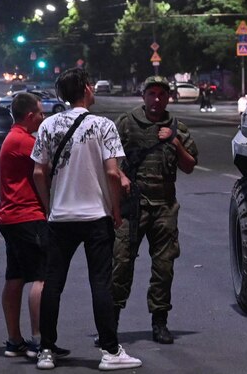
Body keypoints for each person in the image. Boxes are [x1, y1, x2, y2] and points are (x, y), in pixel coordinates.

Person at [31, 68, 141, 371]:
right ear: (86, 89)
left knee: (53, 284)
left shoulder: (48, 125)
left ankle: (46, 351)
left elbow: (39, 172)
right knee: (100, 284)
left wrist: (49, 205)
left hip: (60, 217)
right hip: (95, 217)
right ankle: (110, 352)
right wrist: (116, 209)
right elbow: (111, 172)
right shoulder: (103, 125)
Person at [112, 76, 198, 345]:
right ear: (143, 96)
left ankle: (159, 322)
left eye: (162, 94)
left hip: (164, 207)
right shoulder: (126, 124)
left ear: (169, 98)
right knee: (121, 264)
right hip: (132, 207)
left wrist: (175, 142)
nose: (157, 99)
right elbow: (107, 158)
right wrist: (119, 179)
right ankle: (110, 324)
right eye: (152, 94)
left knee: (164, 267)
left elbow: (189, 165)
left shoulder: (176, 127)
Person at [0, 92, 48, 359]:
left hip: (10, 216)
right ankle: (39, 341)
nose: (43, 117)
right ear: (30, 116)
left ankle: (14, 339)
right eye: (40, 113)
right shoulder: (25, 141)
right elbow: (48, 167)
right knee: (41, 277)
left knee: (15, 278)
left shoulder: (12, 138)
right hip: (28, 215)